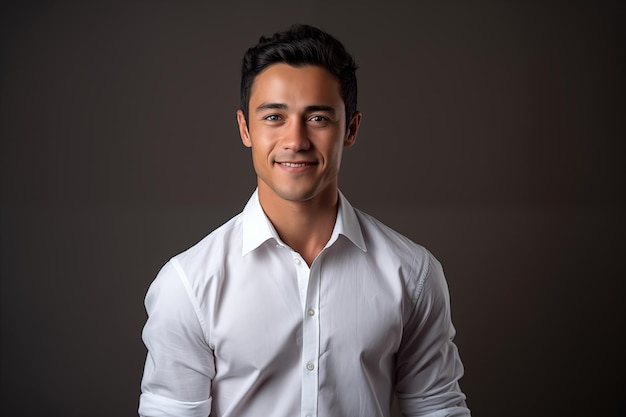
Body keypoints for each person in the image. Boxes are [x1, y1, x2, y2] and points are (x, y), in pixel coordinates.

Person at [138, 23, 470, 417]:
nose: (295, 140)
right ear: (246, 128)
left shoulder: (413, 274)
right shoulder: (188, 284)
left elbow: (438, 409)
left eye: (318, 119)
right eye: (274, 117)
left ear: (351, 129)